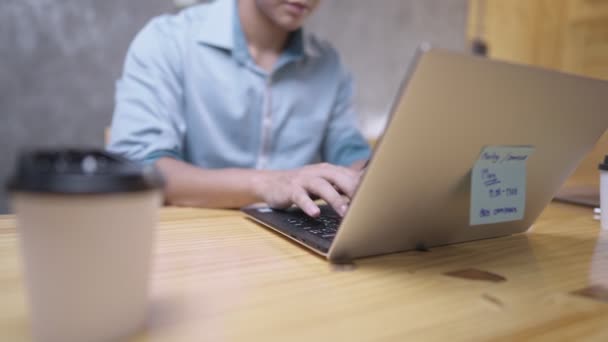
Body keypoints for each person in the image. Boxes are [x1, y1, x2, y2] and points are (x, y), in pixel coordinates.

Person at [108, 0, 371, 218]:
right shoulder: (167, 41)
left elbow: (351, 153)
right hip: (195, 244)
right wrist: (269, 183)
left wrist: (373, 175)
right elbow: (142, 169)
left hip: (293, 249)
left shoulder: (329, 64)